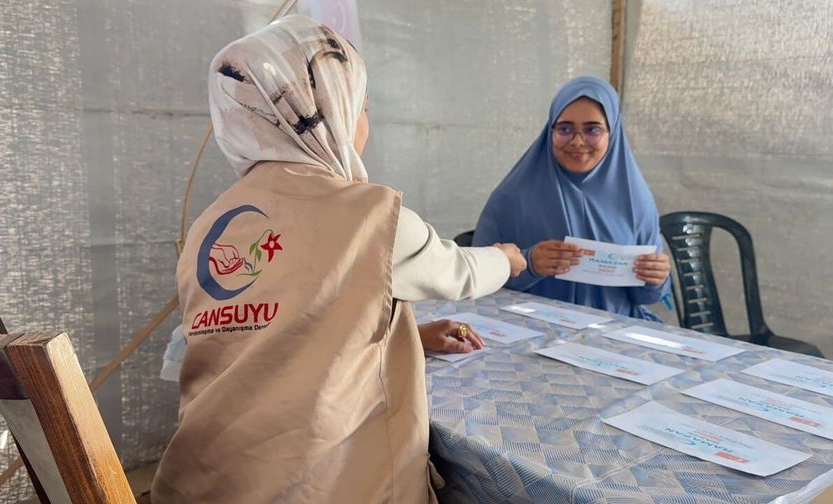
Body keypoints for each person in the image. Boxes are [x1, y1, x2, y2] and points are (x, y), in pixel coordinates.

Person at [152, 15, 525, 504]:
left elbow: (280, 332)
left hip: (201, 480)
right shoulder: (369, 217)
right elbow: (461, 272)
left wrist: (408, 335)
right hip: (316, 487)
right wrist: (507, 258)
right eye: (362, 104)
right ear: (331, 109)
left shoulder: (210, 226)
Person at [473, 76, 670, 321]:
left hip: (611, 334)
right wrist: (528, 263)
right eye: (565, 129)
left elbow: (646, 297)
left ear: (612, 132)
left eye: (592, 130)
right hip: (531, 328)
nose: (578, 142)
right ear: (550, 131)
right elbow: (474, 277)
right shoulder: (512, 198)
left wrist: (655, 279)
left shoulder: (636, 201)